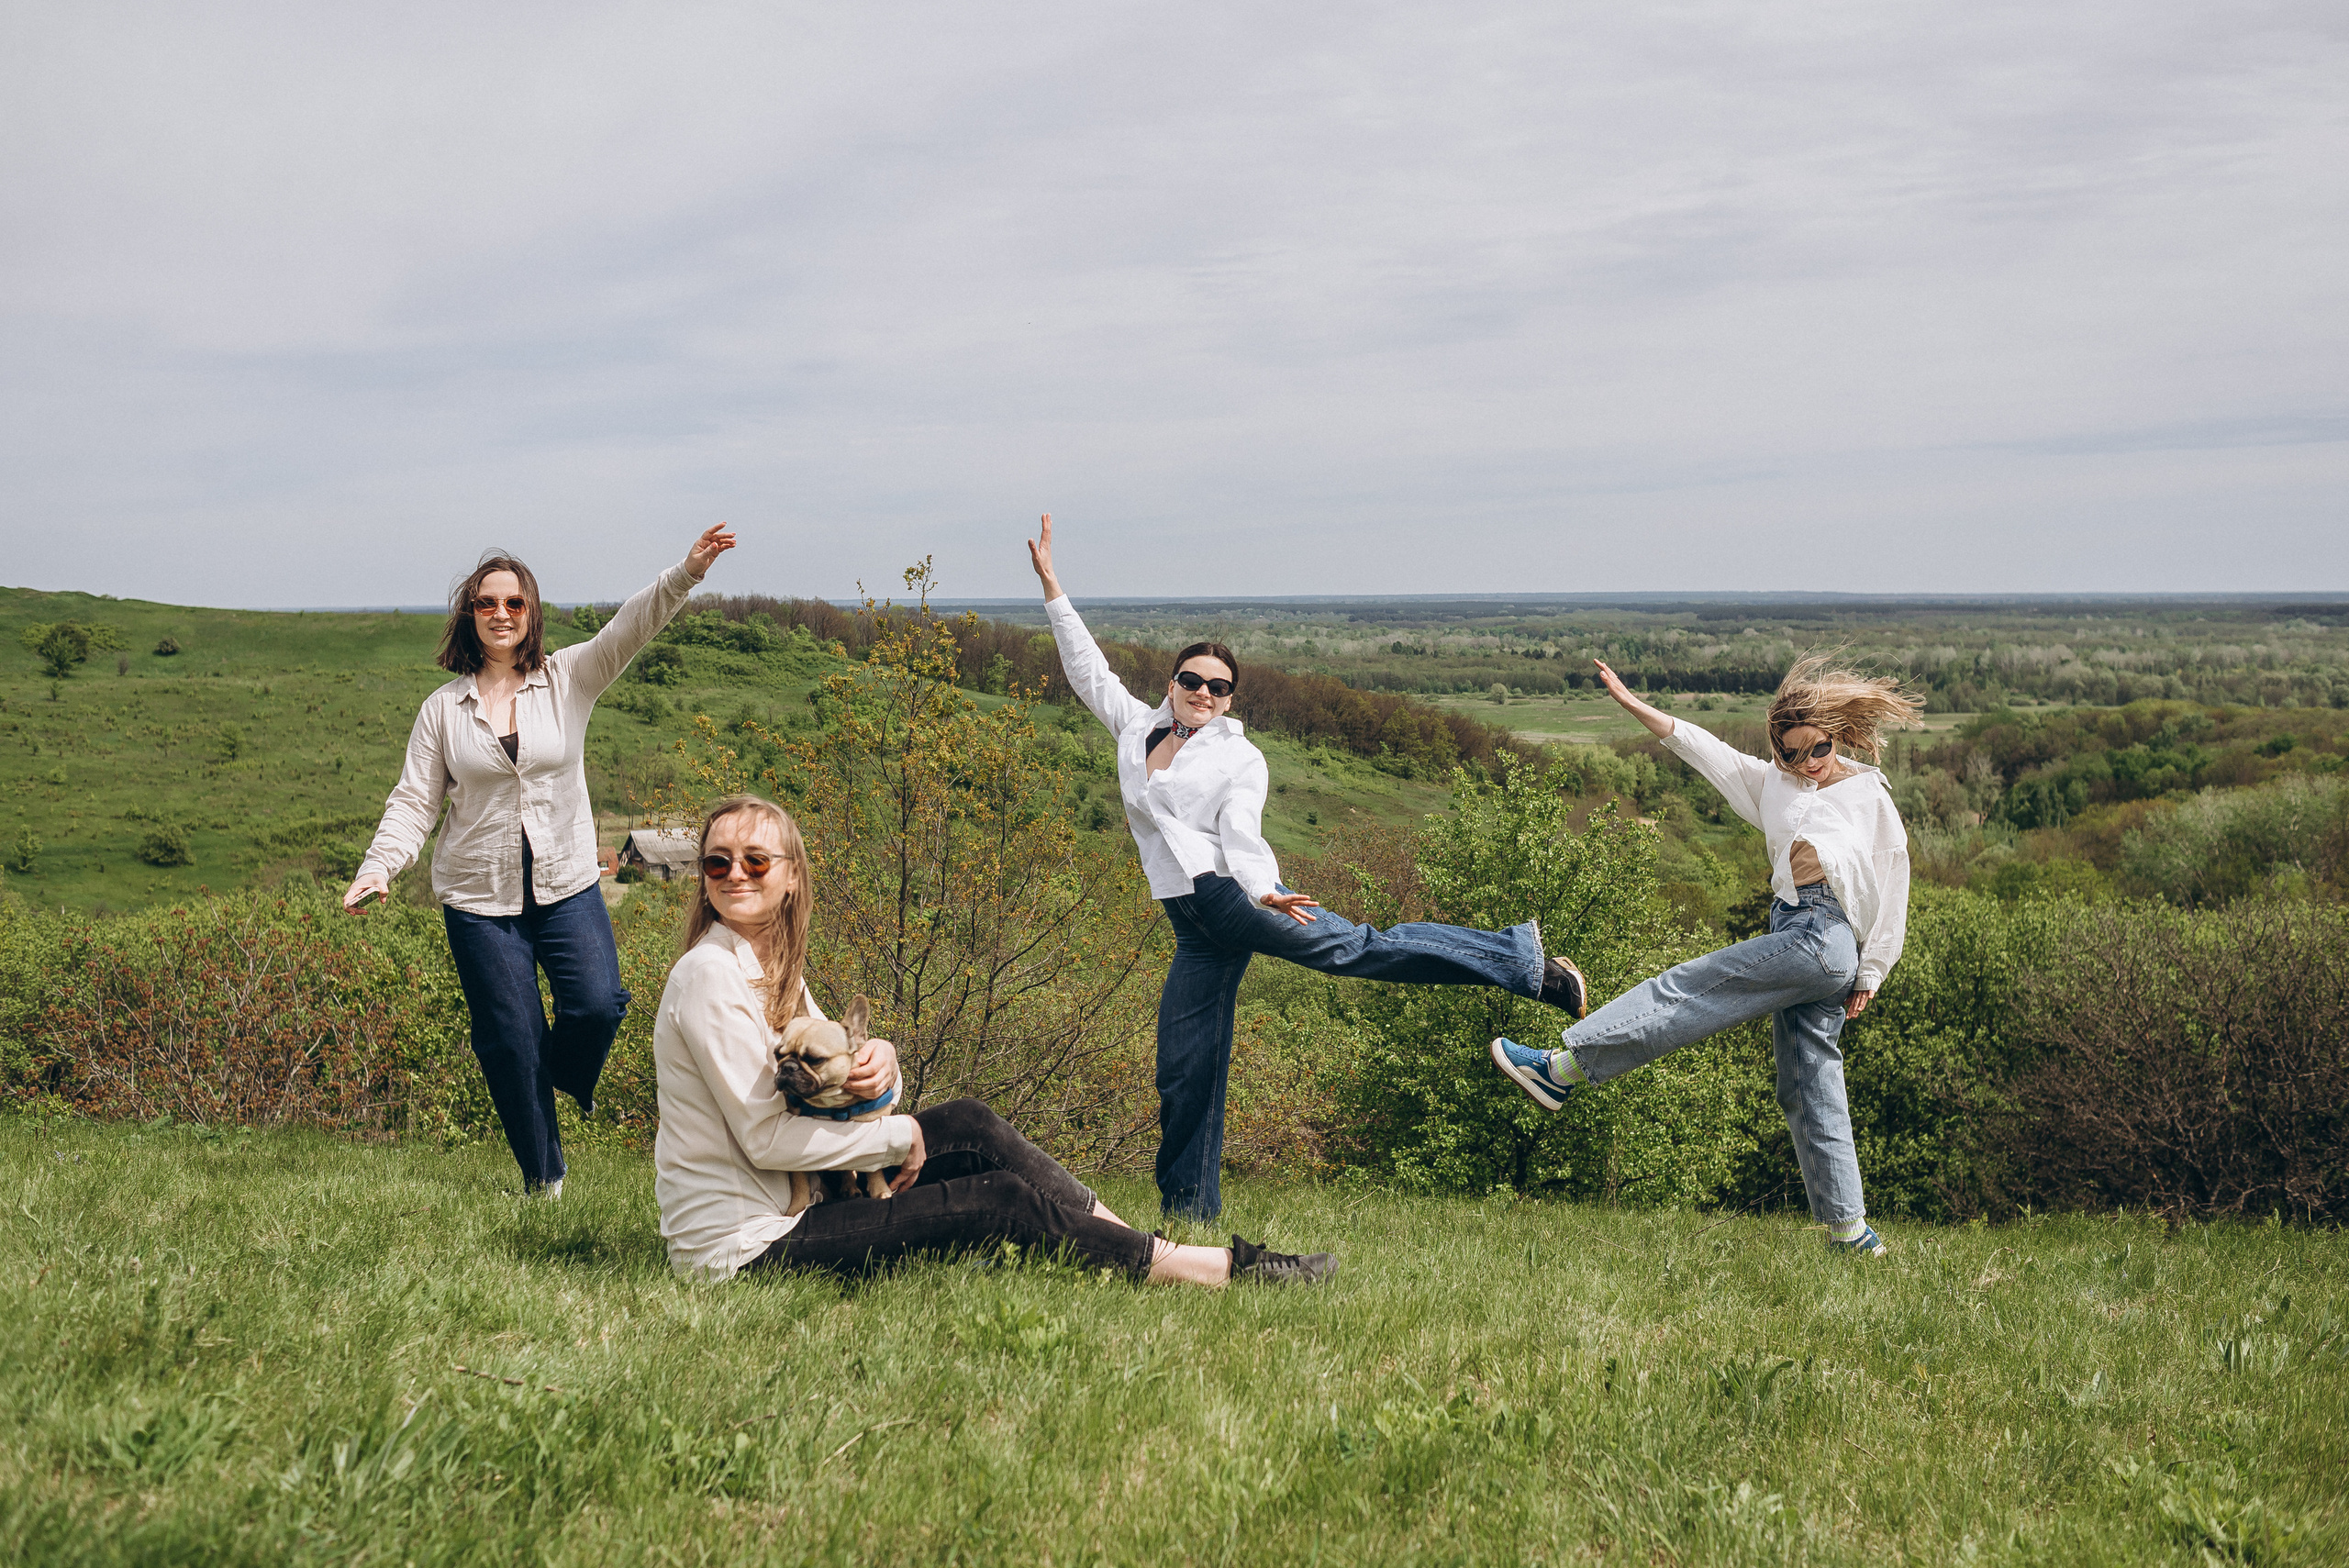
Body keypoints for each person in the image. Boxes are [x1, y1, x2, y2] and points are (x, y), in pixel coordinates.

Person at [1025, 514, 1589, 1221]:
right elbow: (1086, 668)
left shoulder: (1238, 756)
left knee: (1361, 949)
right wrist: (1051, 584)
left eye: (1219, 686)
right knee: (1183, 1063)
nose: (1204, 692)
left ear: (1232, 698)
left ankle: (1528, 964)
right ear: (1170, 683)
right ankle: (1189, 1217)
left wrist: (1265, 890)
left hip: (1237, 898)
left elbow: (1241, 833)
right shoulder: (1136, 727)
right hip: (1194, 927)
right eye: (1192, 679)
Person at [654, 793, 1337, 1286]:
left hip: (803, 1193)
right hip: (746, 1245)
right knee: (998, 1201)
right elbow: (765, 1140)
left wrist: (884, 1067)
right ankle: (1209, 1268)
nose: (736, 874)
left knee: (968, 1122)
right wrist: (899, 1135)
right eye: (718, 864)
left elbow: (837, 1084)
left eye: (754, 860)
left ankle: (1133, 1243)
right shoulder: (711, 977)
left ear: (792, 874)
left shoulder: (773, 970)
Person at [344, 525, 737, 1194]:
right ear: (470, 615)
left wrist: (687, 572)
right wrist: (379, 866)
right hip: (478, 899)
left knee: (598, 1004)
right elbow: (414, 800)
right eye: (487, 603)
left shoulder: (568, 678)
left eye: (515, 603)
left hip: (566, 882)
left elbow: (629, 628)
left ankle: (549, 1076)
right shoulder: (442, 710)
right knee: (508, 1039)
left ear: (531, 613)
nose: (502, 614)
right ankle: (544, 1177)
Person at [1489, 652, 1921, 1258]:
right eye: (1790, 752)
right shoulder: (1772, 783)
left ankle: (1559, 1069)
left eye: (1817, 749)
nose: (1806, 764)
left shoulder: (1868, 792)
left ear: (1835, 734)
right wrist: (1632, 702)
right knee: (1808, 1081)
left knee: (1687, 989)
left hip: (1825, 939)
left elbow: (1892, 877)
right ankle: (1852, 1234)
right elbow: (1698, 745)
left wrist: (1874, 969)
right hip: (1804, 938)